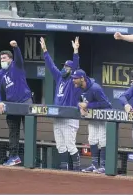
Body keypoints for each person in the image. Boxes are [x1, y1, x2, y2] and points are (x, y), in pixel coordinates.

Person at [40, 36, 82, 171]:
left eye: (67, 67)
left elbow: (76, 66)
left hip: (70, 117)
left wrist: (75, 51)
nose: (64, 68)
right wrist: (45, 50)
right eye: (64, 66)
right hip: (58, 117)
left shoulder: (73, 80)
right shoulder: (59, 77)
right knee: (60, 145)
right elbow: (51, 66)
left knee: (70, 145)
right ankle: (64, 170)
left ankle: (77, 169)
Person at [0, 40, 32, 166]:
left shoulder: (17, 66)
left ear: (10, 59)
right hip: (11, 104)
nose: (2, 60)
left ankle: (31, 158)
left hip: (25, 101)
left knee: (29, 130)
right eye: (1, 58)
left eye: (4, 58)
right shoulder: (0, 74)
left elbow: (19, 58)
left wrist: (16, 47)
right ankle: (14, 157)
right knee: (13, 131)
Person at [71, 69, 112, 174]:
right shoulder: (77, 88)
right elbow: (76, 101)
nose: (73, 81)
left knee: (102, 140)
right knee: (92, 139)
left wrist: (88, 106)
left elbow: (105, 103)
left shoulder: (95, 88)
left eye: (75, 79)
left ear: (82, 79)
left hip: (103, 115)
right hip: (92, 116)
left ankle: (103, 166)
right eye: (73, 78)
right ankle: (94, 165)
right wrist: (80, 107)